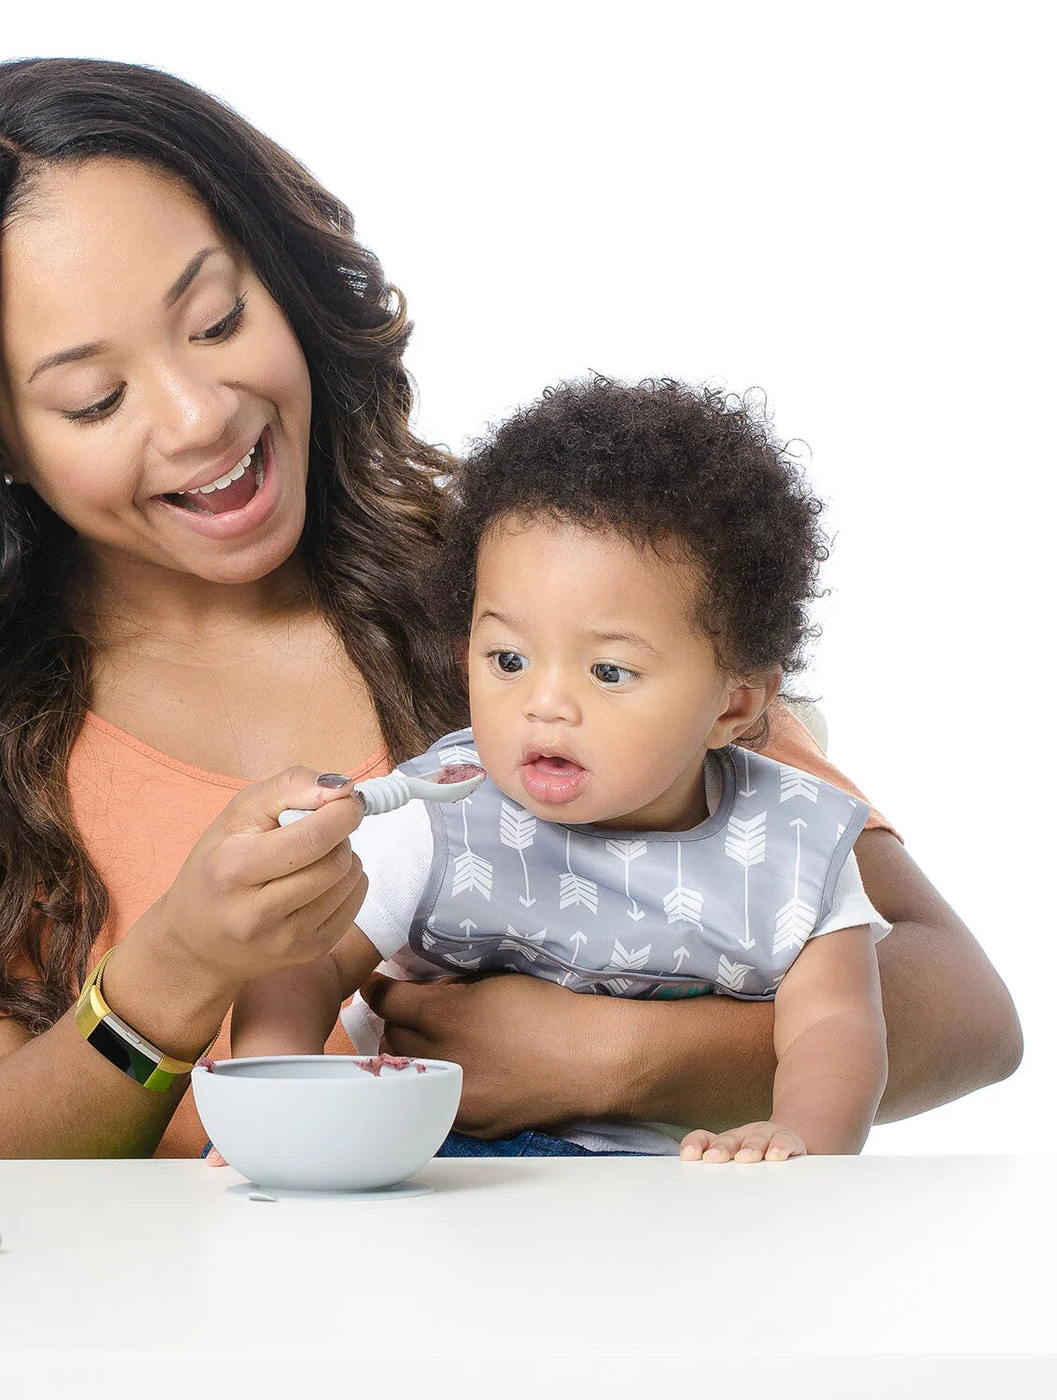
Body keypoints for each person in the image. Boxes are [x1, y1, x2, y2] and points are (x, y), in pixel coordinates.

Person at [0, 57, 1020, 1161]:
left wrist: (615, 1056)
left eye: (217, 318)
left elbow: (962, 1008)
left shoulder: (528, 602)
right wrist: (172, 969)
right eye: (95, 398)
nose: (199, 414)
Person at [230, 377, 891, 1161]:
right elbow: (298, 963)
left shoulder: (795, 844)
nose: (545, 705)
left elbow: (837, 1025)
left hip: (674, 1187)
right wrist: (271, 1108)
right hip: (451, 1173)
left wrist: (801, 1138)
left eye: (609, 672)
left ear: (734, 704)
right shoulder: (439, 814)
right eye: (509, 658)